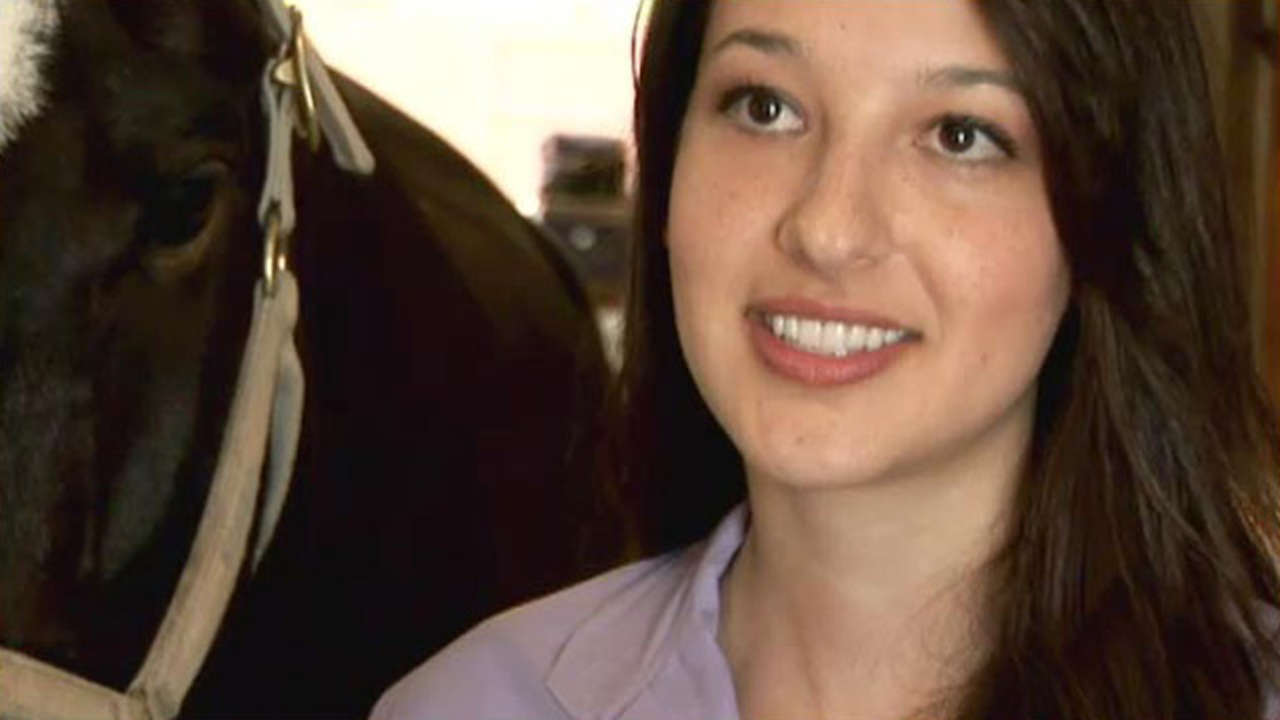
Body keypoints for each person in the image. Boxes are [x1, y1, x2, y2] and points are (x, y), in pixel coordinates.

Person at [371, 1, 1280, 718]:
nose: (827, 229)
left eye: (960, 135)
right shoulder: (469, 705)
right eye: (765, 108)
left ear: (1106, 220)